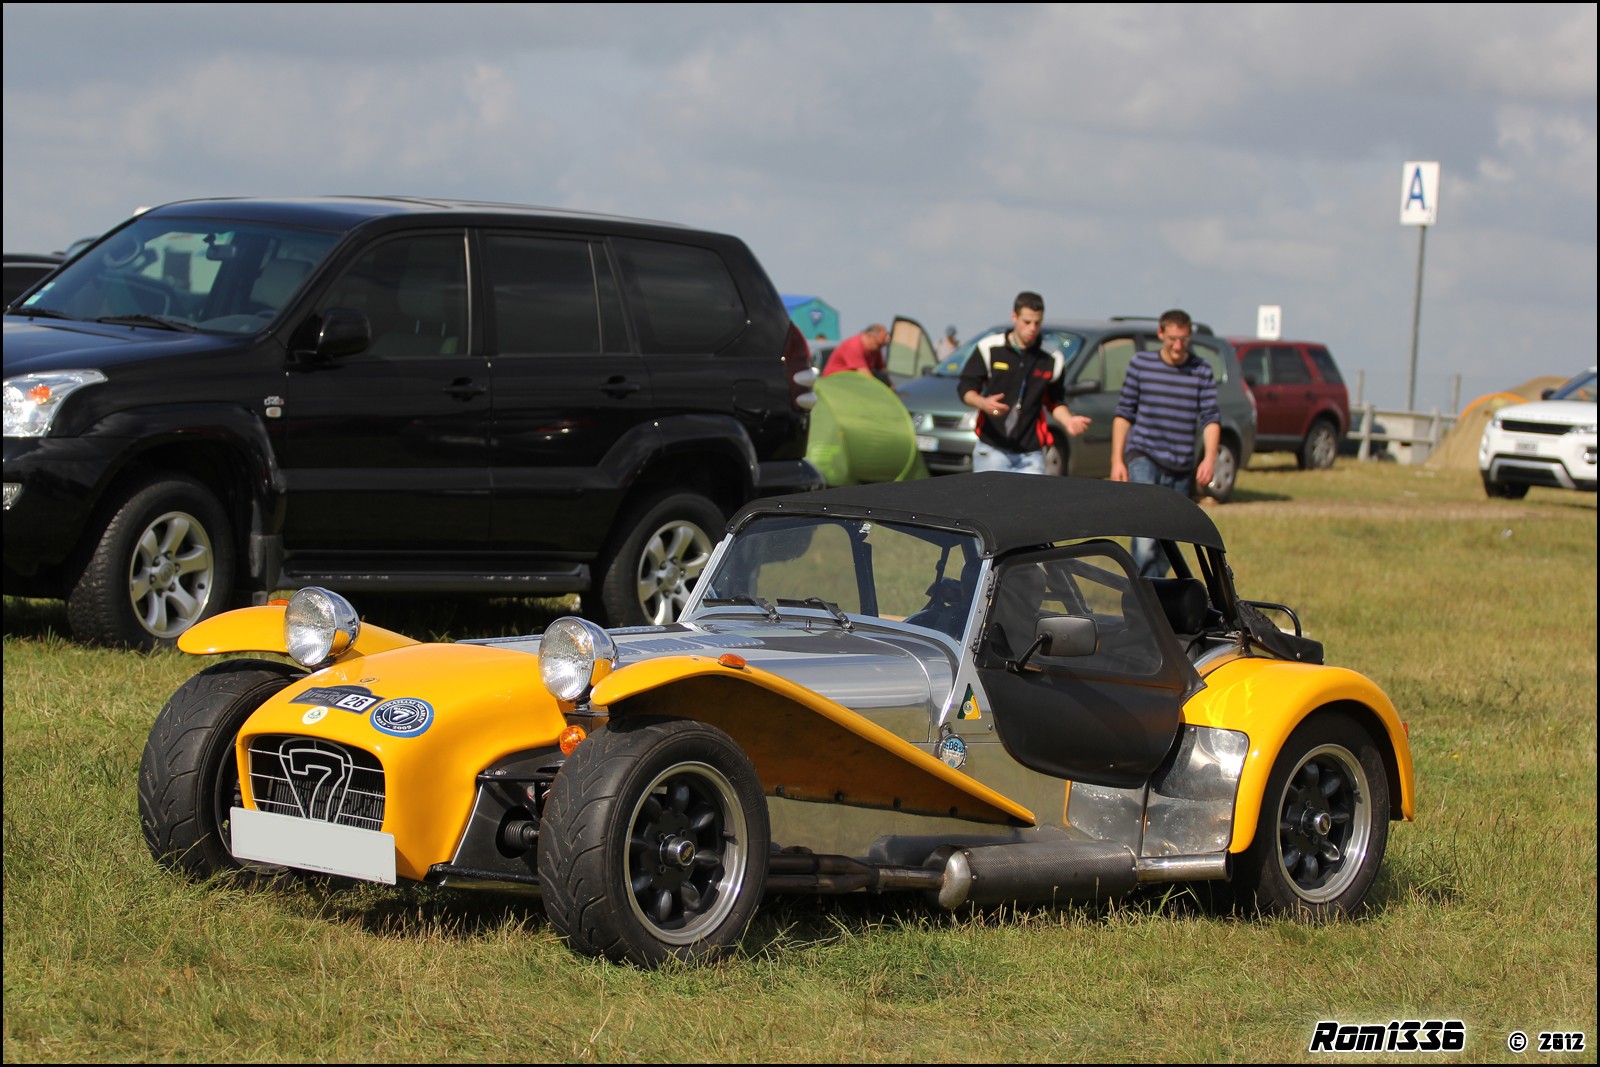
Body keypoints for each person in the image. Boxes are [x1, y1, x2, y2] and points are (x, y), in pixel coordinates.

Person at [1109, 308, 1221, 578]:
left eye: (1183, 339)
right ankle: (1140, 596)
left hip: (1180, 464)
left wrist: (1209, 458)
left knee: (1168, 542)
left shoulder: (1201, 370)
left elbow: (1210, 418)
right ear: (1160, 334)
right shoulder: (1141, 365)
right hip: (1144, 457)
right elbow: (1124, 414)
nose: (1178, 346)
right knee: (1146, 537)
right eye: (1172, 339)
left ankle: (1154, 596)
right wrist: (1117, 460)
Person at [957, 291, 1090, 474]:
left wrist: (1068, 421)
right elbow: (966, 388)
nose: (1032, 328)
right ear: (1015, 317)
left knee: (1030, 502)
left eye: (1037, 323)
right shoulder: (989, 348)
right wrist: (983, 403)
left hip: (1031, 454)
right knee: (990, 502)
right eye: (1027, 322)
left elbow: (1054, 401)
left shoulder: (1051, 357)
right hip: (993, 447)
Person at [822, 323, 891, 384]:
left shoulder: (875, 349)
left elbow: (882, 370)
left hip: (853, 382)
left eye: (882, 345)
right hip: (834, 382)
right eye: (878, 344)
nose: (880, 348)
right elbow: (866, 376)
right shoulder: (854, 346)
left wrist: (890, 384)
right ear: (869, 336)